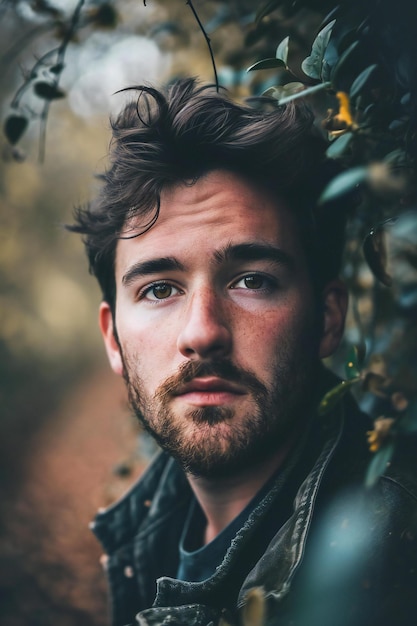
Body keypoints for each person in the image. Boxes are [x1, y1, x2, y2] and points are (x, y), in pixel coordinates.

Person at [71, 78, 417, 626]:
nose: (203, 332)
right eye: (159, 288)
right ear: (113, 339)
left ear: (327, 319)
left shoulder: (397, 559)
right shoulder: (143, 528)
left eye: (252, 280)